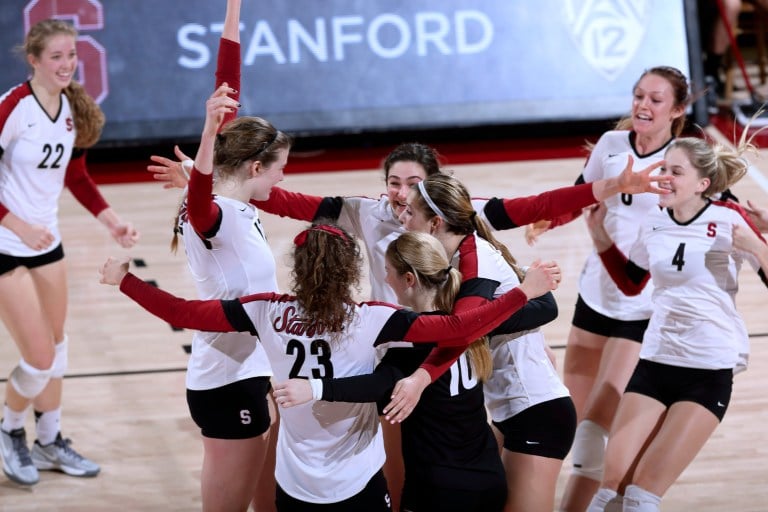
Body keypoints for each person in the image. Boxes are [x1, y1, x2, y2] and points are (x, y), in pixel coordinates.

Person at [148, 130, 672, 510]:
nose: (400, 195)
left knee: (452, 460)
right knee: (401, 466)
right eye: (393, 182)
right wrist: (214, 184)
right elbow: (286, 200)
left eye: (412, 185)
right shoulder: (370, 212)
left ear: (435, 197)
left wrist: (602, 190)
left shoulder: (461, 224)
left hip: (442, 359)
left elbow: (534, 205)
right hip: (399, 353)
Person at [98, 221, 560, 511]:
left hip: (296, 484)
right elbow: (461, 327)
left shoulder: (264, 311)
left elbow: (180, 312)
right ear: (351, 269)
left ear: (298, 267)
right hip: (358, 482)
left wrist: (125, 280)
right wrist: (525, 291)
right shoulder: (374, 318)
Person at [525, 65, 693, 512]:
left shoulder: (683, 162)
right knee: (568, 421)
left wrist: (599, 239)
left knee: (595, 432)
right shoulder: (612, 145)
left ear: (677, 110)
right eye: (638, 95)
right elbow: (585, 191)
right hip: (595, 297)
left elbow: (637, 278)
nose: (642, 105)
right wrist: (551, 216)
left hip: (643, 309)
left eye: (656, 99)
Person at [584, 134, 768, 512]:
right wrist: (600, 235)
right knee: (609, 491)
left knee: (641, 495)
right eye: (664, 168)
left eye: (675, 171)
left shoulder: (728, 219)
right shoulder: (655, 220)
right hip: (655, 363)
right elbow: (632, 282)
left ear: (703, 184)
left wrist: (757, 246)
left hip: (707, 369)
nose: (664, 176)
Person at [272, 230, 510, 512]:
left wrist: (315, 387)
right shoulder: (472, 324)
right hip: (487, 475)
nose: (385, 280)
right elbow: (541, 308)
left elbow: (377, 387)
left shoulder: (408, 346)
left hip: (438, 488)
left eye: (388, 272)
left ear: (409, 279)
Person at [0, 19, 139, 486]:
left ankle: (50, 440)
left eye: (72, 55)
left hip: (48, 245)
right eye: (56, 56)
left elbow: (75, 177)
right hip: (5, 245)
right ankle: (9, 428)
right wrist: (16, 223)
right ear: (34, 60)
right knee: (38, 357)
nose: (66, 64)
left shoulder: (71, 110)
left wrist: (112, 220)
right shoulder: (13, 107)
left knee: (57, 351)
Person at [386, 173, 573, 512]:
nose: (402, 217)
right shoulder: (455, 258)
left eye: (410, 211)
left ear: (435, 223)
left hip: (534, 408)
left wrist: (420, 376)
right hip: (508, 407)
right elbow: (523, 310)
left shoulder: (476, 257)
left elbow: (460, 330)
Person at [167, 1, 291, 510]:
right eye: (280, 167)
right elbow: (199, 198)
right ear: (256, 165)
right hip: (225, 382)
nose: (283, 177)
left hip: (252, 370)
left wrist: (234, 11)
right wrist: (204, 133)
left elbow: (227, 92)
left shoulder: (229, 200)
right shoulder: (213, 213)